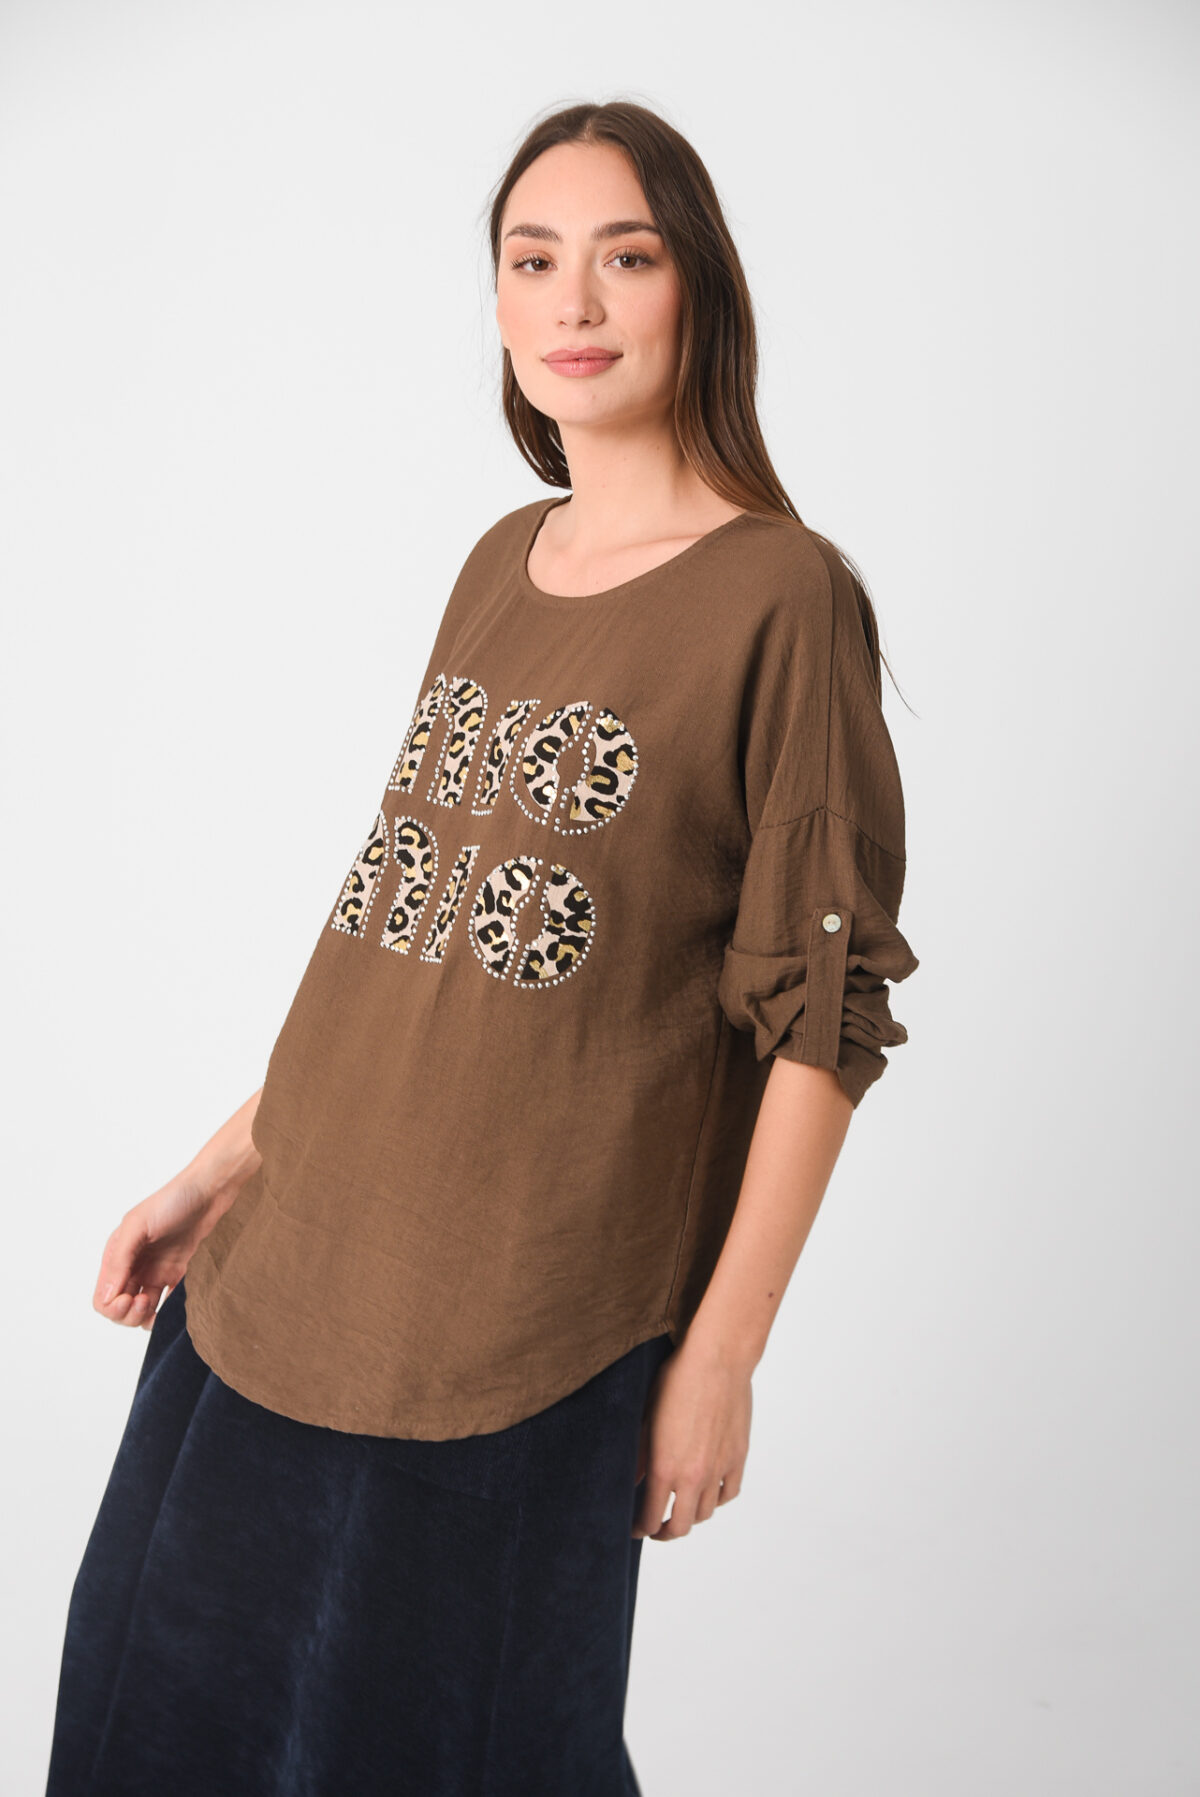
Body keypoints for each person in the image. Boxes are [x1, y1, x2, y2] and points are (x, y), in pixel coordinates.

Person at [44, 99, 920, 1796]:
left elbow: (823, 1013)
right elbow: (413, 934)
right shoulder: (499, 564)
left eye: (625, 256)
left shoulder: (781, 597)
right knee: (156, 1731)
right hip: (274, 1287)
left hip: (517, 1333)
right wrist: (217, 1171)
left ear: (699, 288)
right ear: (500, 304)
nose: (573, 301)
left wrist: (722, 1355)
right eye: (532, 260)